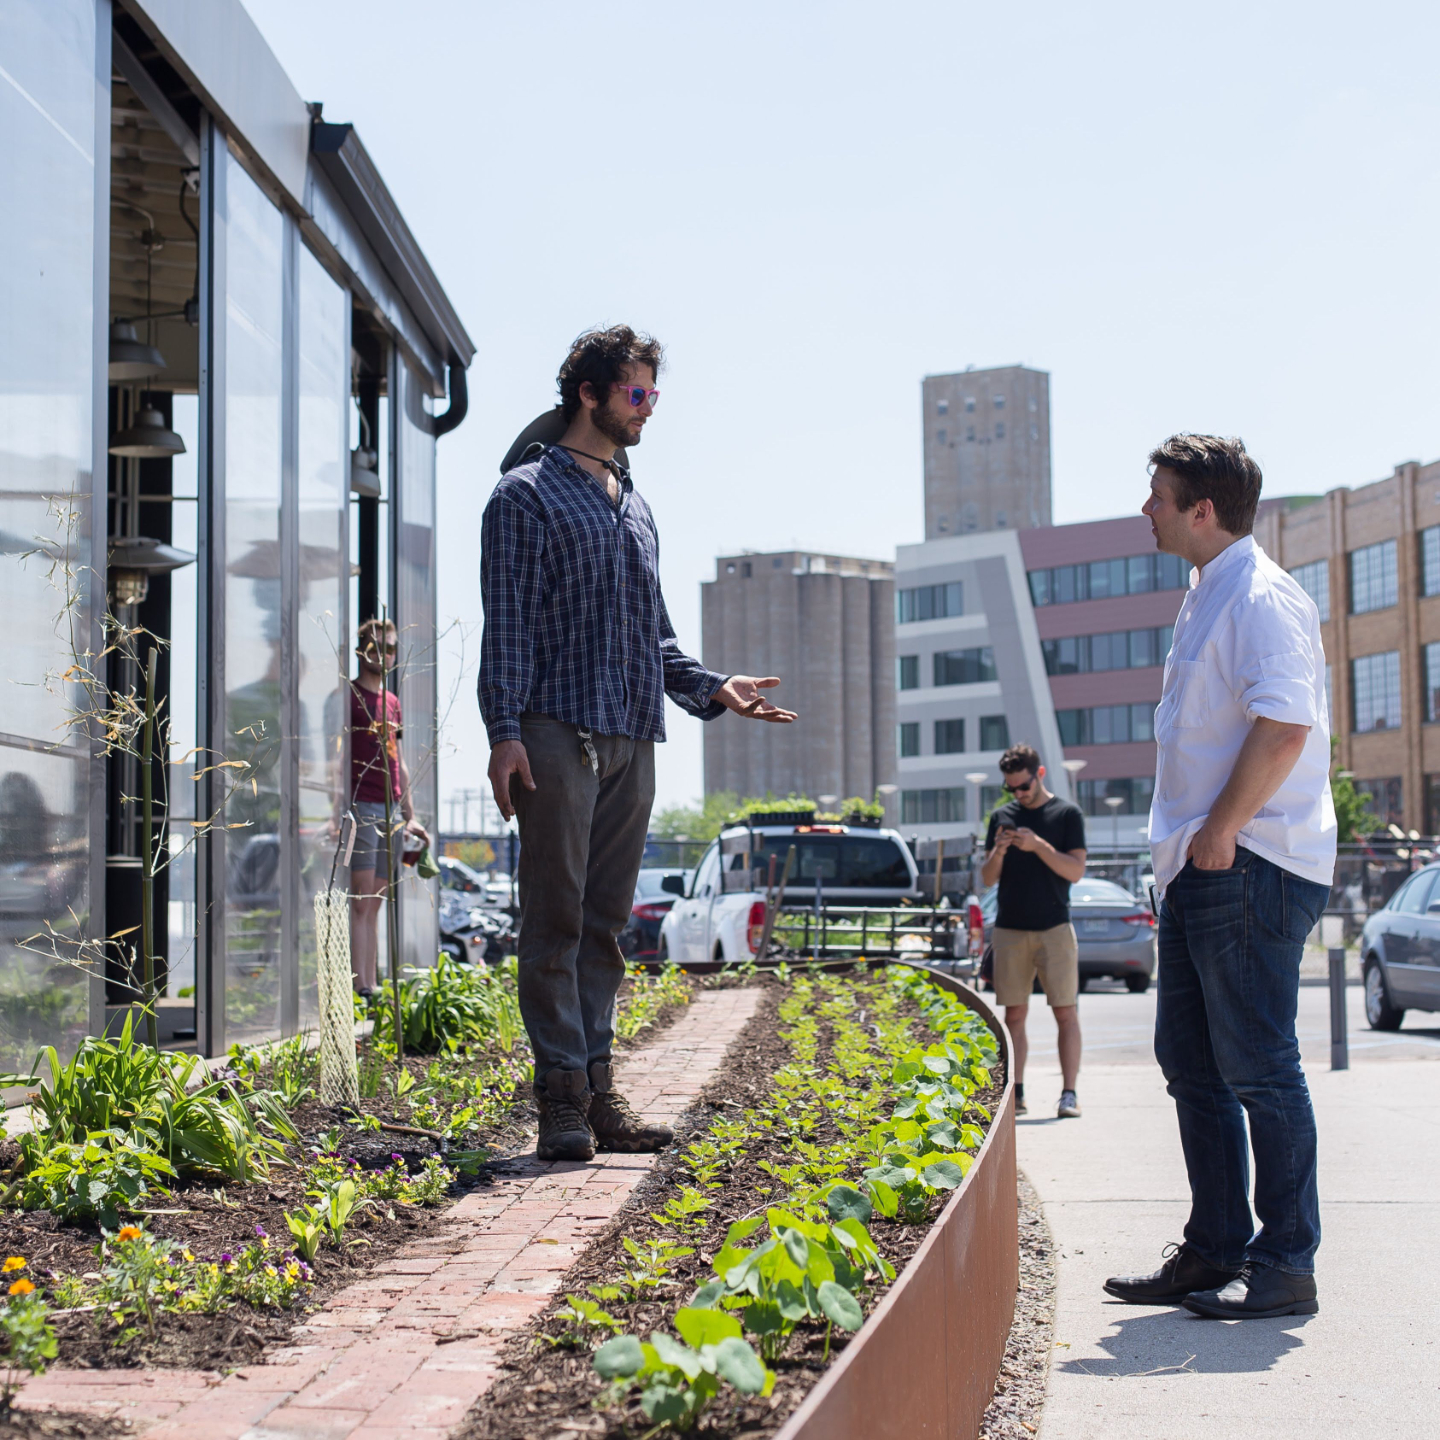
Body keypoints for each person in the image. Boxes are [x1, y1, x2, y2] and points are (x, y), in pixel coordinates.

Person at [478, 325, 796, 1163]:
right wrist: (504, 734)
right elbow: (507, 629)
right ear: (590, 393)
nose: (650, 407)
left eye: (654, 393)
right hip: (554, 732)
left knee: (606, 927)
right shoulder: (523, 496)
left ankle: (599, 1092)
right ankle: (560, 1102)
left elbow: (654, 639)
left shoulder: (636, 504)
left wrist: (713, 688)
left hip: (632, 737)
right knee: (555, 922)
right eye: (639, 392)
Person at [1105, 434, 1335, 1320]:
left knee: (1260, 1068)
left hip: (1249, 861)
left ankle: (1285, 1264)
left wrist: (1222, 831)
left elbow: (1285, 726)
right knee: (1193, 1065)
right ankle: (1215, 1248)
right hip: (1201, 865)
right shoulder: (1205, 595)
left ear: (1203, 509)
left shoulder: (1262, 597)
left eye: (1159, 496)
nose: (1147, 509)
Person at [981, 743, 1087, 1119]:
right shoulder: (1002, 816)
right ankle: (1017, 1092)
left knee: (1065, 1011)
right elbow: (987, 878)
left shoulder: (1067, 814)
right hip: (1010, 928)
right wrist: (999, 850)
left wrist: (1038, 845)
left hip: (1055, 927)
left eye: (1023, 786)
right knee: (1014, 1015)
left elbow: (1076, 871)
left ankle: (1069, 1094)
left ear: (1039, 775)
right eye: (1010, 788)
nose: (1018, 794)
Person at [347, 618, 429, 996]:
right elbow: (336, 759)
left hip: (391, 811)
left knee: (377, 900)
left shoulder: (392, 702)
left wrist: (411, 817)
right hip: (361, 807)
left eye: (391, 648)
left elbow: (399, 761)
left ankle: (371, 984)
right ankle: (359, 987)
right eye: (376, 646)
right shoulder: (348, 697)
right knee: (361, 900)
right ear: (360, 649)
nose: (384, 654)